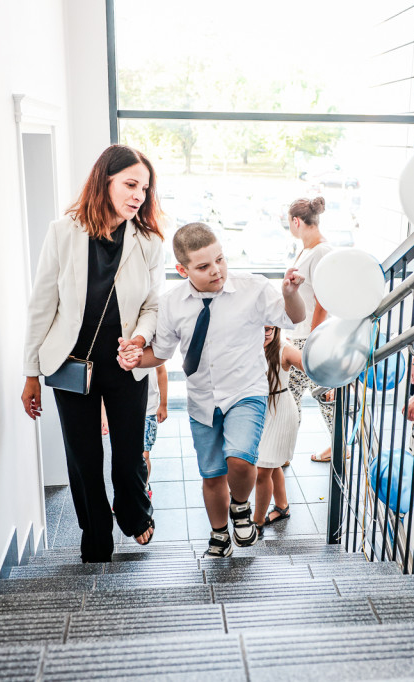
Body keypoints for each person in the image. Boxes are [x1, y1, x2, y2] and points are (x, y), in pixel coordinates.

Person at [123, 222, 305, 557]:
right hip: (202, 399)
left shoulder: (253, 287)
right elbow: (160, 353)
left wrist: (291, 294)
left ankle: (240, 507)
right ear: (182, 269)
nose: (216, 270)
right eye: (204, 266)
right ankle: (220, 535)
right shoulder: (172, 303)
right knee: (211, 475)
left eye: (220, 259)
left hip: (246, 391)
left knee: (239, 459)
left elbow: (293, 318)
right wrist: (134, 359)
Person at [21, 144, 164, 562]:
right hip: (71, 365)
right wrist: (31, 371)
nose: (138, 195)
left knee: (128, 452)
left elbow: (154, 305)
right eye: (130, 184)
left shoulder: (148, 240)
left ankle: (135, 515)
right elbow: (42, 304)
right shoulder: (63, 232)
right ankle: (95, 534)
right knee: (83, 458)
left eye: (144, 188)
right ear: (105, 180)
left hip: (126, 365)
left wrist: (138, 340)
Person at [284, 196, 336, 462]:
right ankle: (284, 447)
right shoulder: (307, 249)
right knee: (294, 393)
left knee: (320, 395)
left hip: (311, 337)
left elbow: (323, 299)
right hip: (301, 335)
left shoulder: (322, 252)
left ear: (296, 221)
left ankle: (339, 447)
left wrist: (314, 337)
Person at [253, 325, 305, 534]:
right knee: (271, 463)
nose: (266, 332)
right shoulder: (249, 345)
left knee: (263, 469)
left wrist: (333, 386)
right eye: (262, 327)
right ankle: (282, 507)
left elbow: (312, 366)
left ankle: (256, 522)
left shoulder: (284, 349)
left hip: (280, 410)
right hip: (260, 410)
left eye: (270, 328)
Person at [142, 365, 169, 498]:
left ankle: (143, 489)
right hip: (123, 408)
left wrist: (163, 404)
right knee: (124, 456)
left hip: (148, 408)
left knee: (144, 455)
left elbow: (161, 371)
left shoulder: (153, 344)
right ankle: (125, 494)